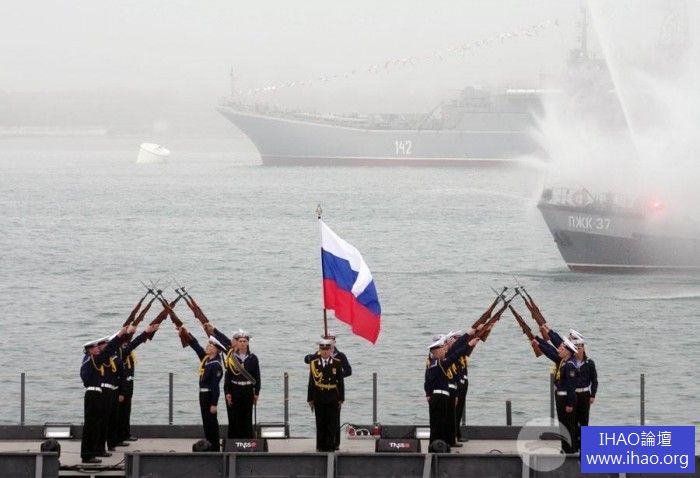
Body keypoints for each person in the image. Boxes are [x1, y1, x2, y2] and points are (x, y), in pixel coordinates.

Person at [80, 326, 131, 464]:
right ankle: (87, 455)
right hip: (93, 394)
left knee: (96, 425)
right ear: (90, 350)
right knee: (91, 426)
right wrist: (119, 335)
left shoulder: (92, 360)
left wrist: (120, 335)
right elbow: (108, 350)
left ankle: (92, 453)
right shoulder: (92, 360)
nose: (98, 349)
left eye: (98, 347)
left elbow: (107, 351)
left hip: (97, 393)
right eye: (95, 348)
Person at [424, 330, 479, 451]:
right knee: (438, 424)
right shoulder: (438, 363)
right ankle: (435, 447)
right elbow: (454, 355)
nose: (445, 349)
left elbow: (454, 352)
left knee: (442, 423)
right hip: (439, 396)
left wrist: (468, 340)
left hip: (442, 395)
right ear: (437, 351)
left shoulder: (437, 362)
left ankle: (440, 446)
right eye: (442, 348)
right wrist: (468, 344)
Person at [533, 326, 578, 454]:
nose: (559, 349)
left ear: (568, 352)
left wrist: (569, 404)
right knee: (563, 424)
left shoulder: (569, 365)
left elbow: (571, 386)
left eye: (562, 349)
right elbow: (551, 349)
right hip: (561, 396)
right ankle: (566, 448)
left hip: (565, 398)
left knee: (568, 425)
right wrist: (537, 339)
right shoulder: (564, 362)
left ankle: (570, 450)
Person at [304, 331, 351, 449]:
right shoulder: (316, 359)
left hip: (332, 394)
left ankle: (334, 443)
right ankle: (321, 445)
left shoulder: (339, 357)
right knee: (320, 421)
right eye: (322, 347)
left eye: (330, 340)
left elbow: (344, 377)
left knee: (333, 421)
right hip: (319, 394)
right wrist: (310, 398)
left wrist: (341, 397)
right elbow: (311, 380)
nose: (325, 350)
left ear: (333, 343)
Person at [114, 323, 160, 445]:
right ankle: (118, 436)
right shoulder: (120, 350)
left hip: (129, 383)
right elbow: (136, 342)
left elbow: (134, 341)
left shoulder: (126, 348)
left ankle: (125, 433)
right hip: (122, 384)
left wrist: (151, 331)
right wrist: (146, 332)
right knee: (120, 412)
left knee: (126, 410)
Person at [180, 325, 224, 452]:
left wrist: (214, 403)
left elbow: (215, 387)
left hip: (209, 395)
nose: (207, 347)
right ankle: (208, 446)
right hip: (203, 395)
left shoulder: (216, 365)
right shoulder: (206, 359)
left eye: (210, 346)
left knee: (211, 423)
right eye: (208, 345)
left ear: (216, 350)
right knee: (206, 422)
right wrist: (186, 333)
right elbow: (196, 346)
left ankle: (215, 448)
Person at [216, 328, 261, 439]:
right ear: (237, 342)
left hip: (247, 389)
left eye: (244, 341)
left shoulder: (253, 358)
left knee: (247, 416)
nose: (242, 343)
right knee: (234, 416)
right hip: (235, 389)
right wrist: (227, 392)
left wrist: (256, 393)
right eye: (240, 341)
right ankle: (234, 441)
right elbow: (228, 376)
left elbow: (257, 376)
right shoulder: (232, 357)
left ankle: (247, 441)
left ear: (248, 343)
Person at [569, 329, 597, 453]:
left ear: (583, 348)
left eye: (579, 348)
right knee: (573, 420)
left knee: (584, 420)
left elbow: (594, 380)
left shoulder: (589, 363)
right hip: (574, 394)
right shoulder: (570, 363)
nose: (577, 350)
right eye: (575, 348)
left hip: (585, 394)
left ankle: (585, 446)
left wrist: (593, 395)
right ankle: (575, 445)